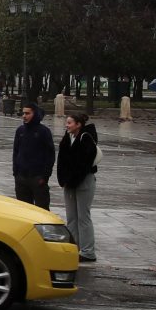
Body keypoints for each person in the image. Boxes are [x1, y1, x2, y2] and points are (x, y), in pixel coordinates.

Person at [57, 111, 98, 262]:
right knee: (72, 217)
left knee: (83, 217)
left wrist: (72, 179)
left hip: (83, 181)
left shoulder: (85, 138)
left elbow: (84, 163)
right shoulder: (67, 137)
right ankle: (73, 248)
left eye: (69, 123)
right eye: (66, 122)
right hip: (69, 182)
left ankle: (88, 252)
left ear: (78, 124)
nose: (67, 125)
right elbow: (61, 159)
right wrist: (63, 179)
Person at [12, 103, 55, 210]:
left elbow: (50, 155)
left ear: (34, 114)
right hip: (21, 177)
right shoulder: (20, 130)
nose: (24, 116)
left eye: (27, 113)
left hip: (38, 177)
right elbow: (16, 151)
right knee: (23, 210)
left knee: (42, 209)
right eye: (23, 113)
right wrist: (16, 172)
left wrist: (45, 176)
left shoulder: (44, 131)